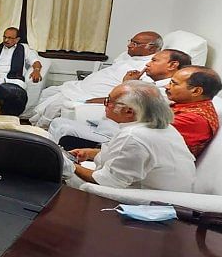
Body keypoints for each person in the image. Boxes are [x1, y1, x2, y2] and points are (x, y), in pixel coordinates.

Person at [67, 81, 195, 192]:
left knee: (58, 172)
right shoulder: (163, 127)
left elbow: (108, 182)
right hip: (158, 190)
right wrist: (90, 153)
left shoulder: (133, 136)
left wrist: (69, 165)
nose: (105, 105)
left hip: (143, 199)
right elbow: (126, 157)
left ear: (129, 111)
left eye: (108, 101)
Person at [48, 49, 193, 146]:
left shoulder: (165, 92)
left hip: (122, 135)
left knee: (63, 129)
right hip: (112, 126)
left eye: (154, 60)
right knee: (58, 122)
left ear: (173, 65)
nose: (148, 63)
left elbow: (129, 108)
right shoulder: (152, 83)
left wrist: (128, 84)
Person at [31, 31, 163, 128]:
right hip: (83, 86)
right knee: (49, 92)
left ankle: (39, 130)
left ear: (151, 48)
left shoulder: (147, 66)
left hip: (97, 93)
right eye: (130, 41)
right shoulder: (126, 55)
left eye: (135, 43)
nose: (129, 45)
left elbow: (133, 94)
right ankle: (32, 125)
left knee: (56, 104)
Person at [0, 27, 42, 95]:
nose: (6, 40)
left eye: (10, 38)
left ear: (17, 39)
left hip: (13, 80)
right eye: (4, 37)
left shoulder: (24, 49)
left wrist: (36, 70)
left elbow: (35, 61)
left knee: (20, 85)